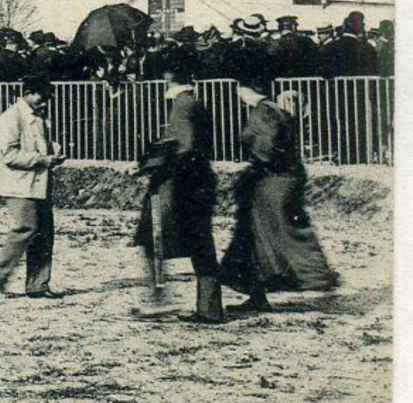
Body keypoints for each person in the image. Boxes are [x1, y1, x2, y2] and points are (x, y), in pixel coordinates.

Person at [217, 69, 339, 312]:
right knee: (261, 236)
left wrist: (258, 162)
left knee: (267, 236)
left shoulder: (264, 112)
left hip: (271, 181)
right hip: (275, 179)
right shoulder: (272, 110)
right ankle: (260, 293)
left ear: (246, 90)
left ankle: (306, 279)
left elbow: (268, 148)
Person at [132, 53, 222, 322]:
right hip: (198, 183)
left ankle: (157, 300)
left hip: (179, 186)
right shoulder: (195, 103)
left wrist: (149, 163)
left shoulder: (182, 105)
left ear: (169, 77)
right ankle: (210, 308)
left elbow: (183, 146)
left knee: (152, 239)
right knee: (201, 244)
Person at [0, 74, 66, 297]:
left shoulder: (38, 117)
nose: (46, 102)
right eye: (42, 96)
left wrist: (54, 149)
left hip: (39, 183)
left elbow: (39, 144)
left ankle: (38, 285)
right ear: (28, 93)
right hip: (18, 185)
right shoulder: (10, 118)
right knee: (25, 228)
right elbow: (9, 154)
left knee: (43, 233)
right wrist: (42, 159)